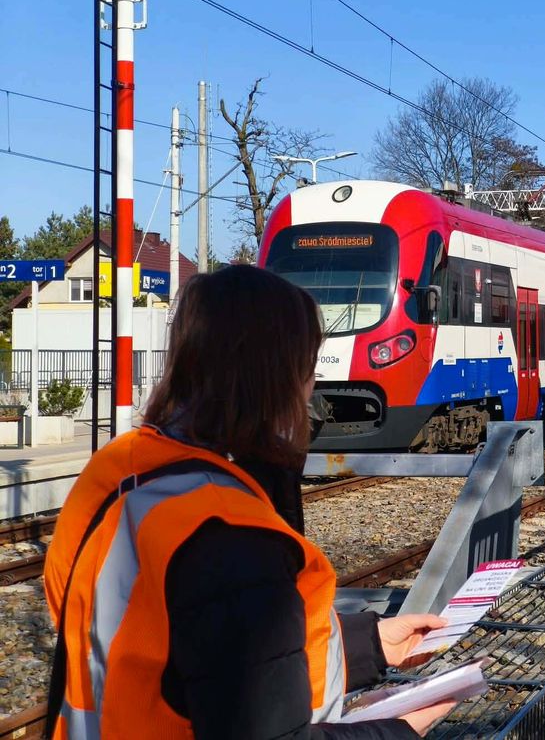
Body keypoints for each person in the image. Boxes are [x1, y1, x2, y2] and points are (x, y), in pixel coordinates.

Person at [43, 266, 455, 739]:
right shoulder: (231, 534)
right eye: (309, 370)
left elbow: (192, 646)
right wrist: (400, 729)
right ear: (278, 379)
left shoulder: (117, 472)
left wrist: (371, 644)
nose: (311, 391)